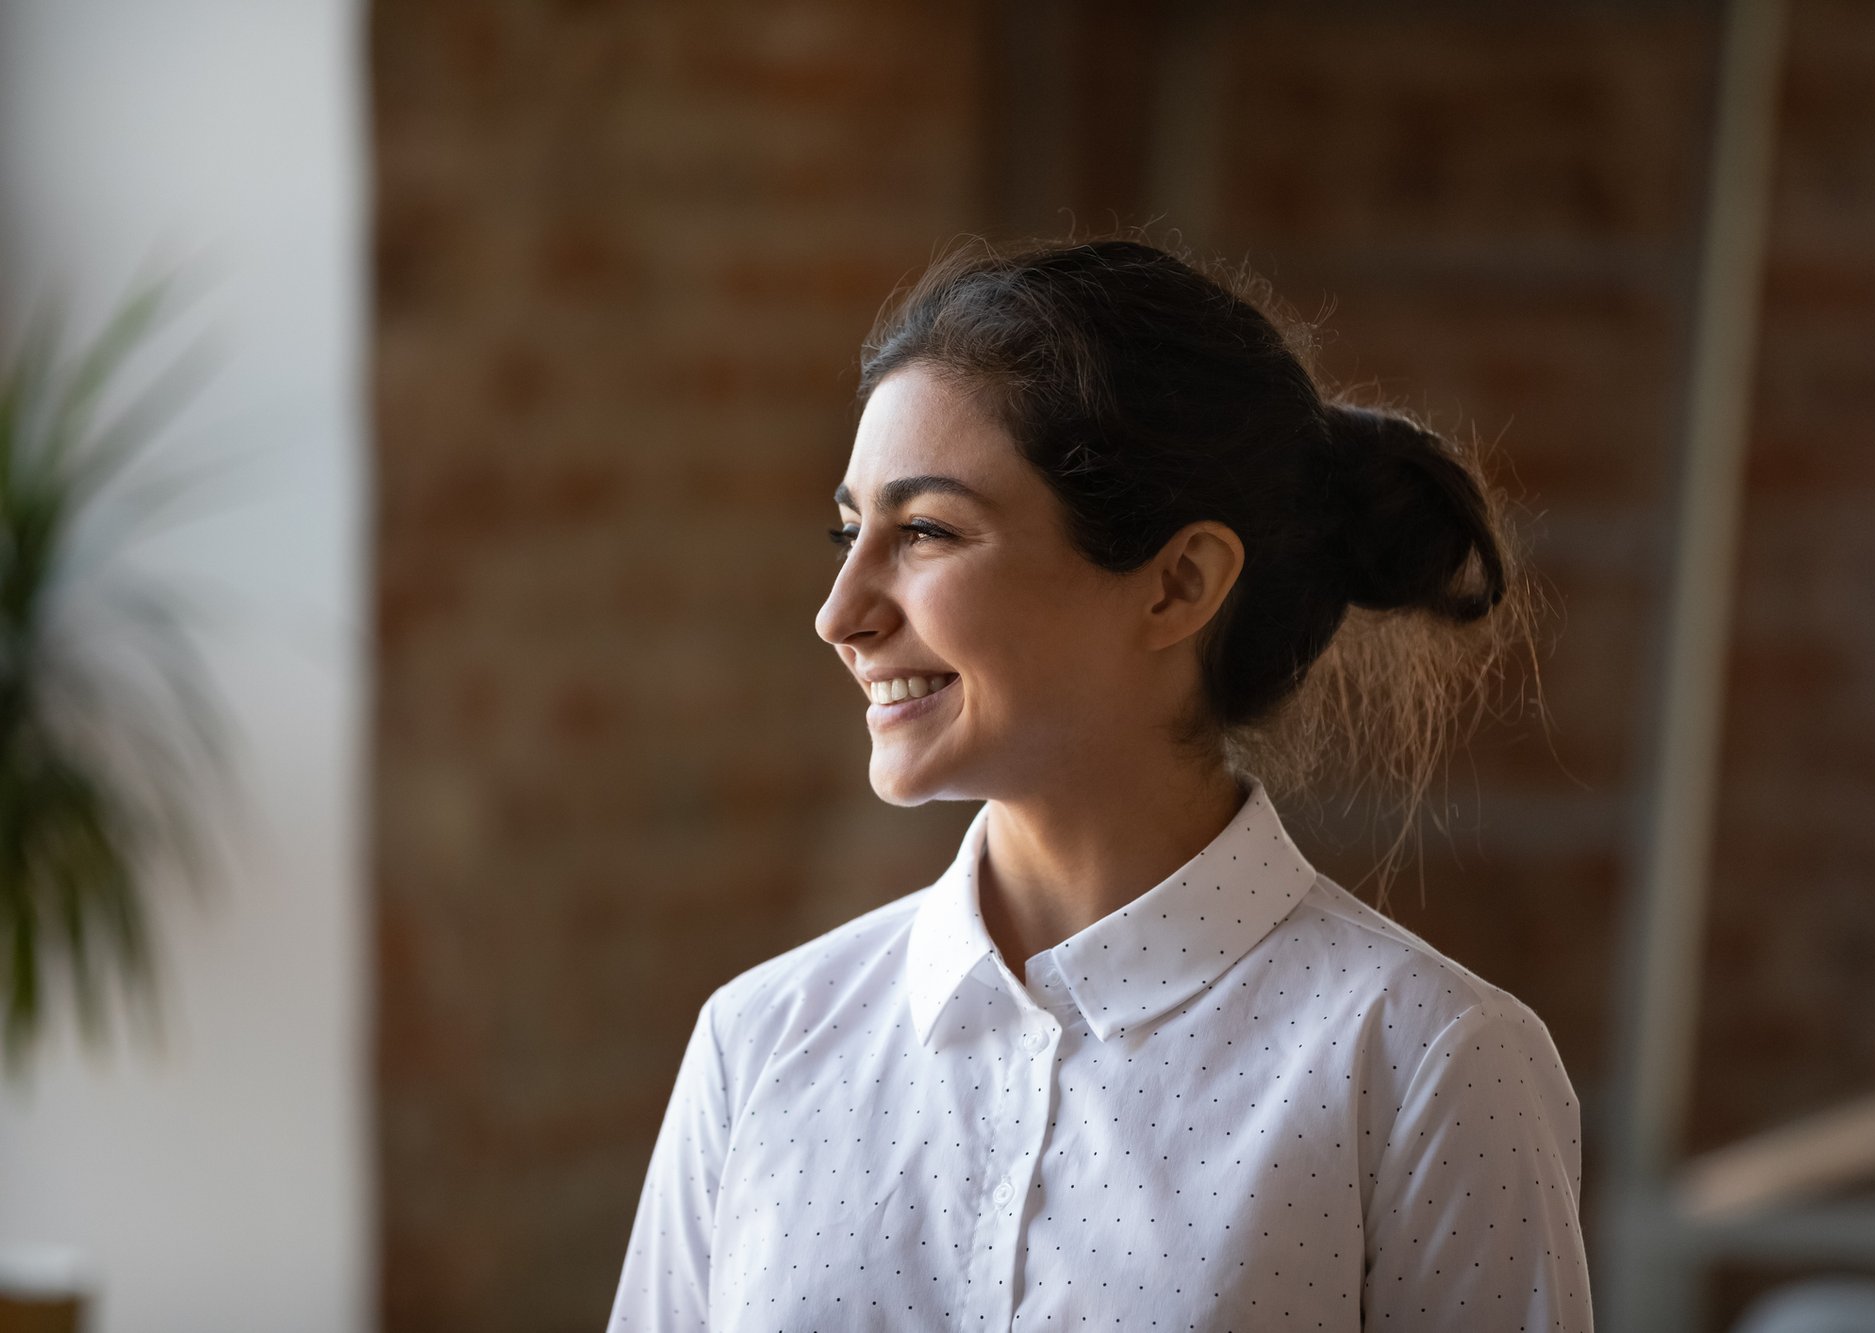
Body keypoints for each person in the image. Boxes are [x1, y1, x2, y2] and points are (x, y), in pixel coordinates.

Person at [607, 235, 1592, 1331]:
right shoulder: (758, 1043)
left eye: (924, 531)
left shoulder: (1426, 1064)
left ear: (1177, 583)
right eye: (848, 530)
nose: (840, 614)